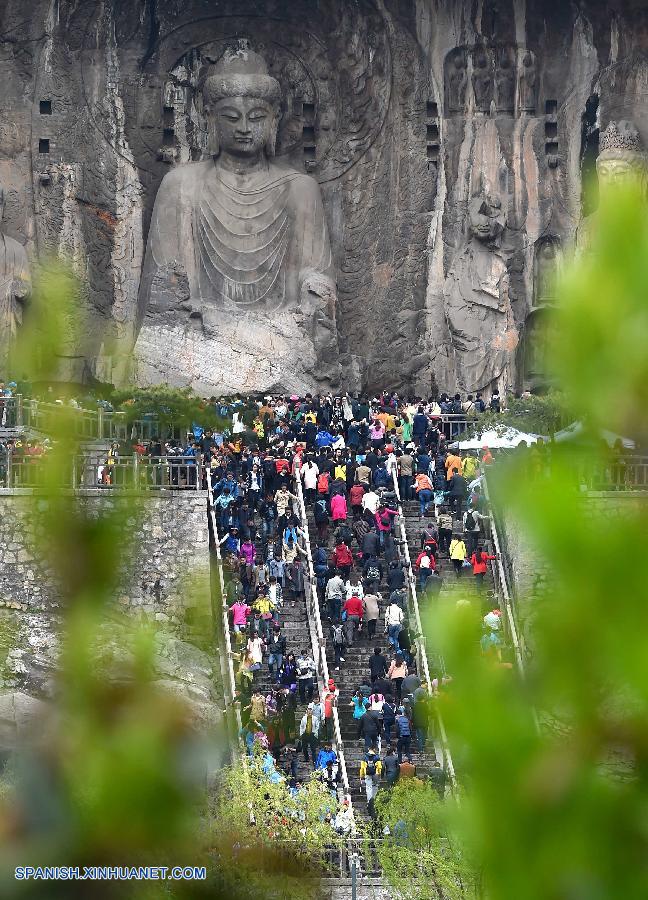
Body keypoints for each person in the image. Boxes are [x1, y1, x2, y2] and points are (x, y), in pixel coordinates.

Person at [359, 749, 383, 817]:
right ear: (374, 750)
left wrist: (361, 775)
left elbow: (362, 767)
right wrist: (379, 774)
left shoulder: (364, 757)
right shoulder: (377, 757)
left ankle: (369, 801)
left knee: (368, 787)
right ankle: (374, 799)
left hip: (367, 774)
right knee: (375, 786)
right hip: (376, 774)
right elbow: (380, 767)